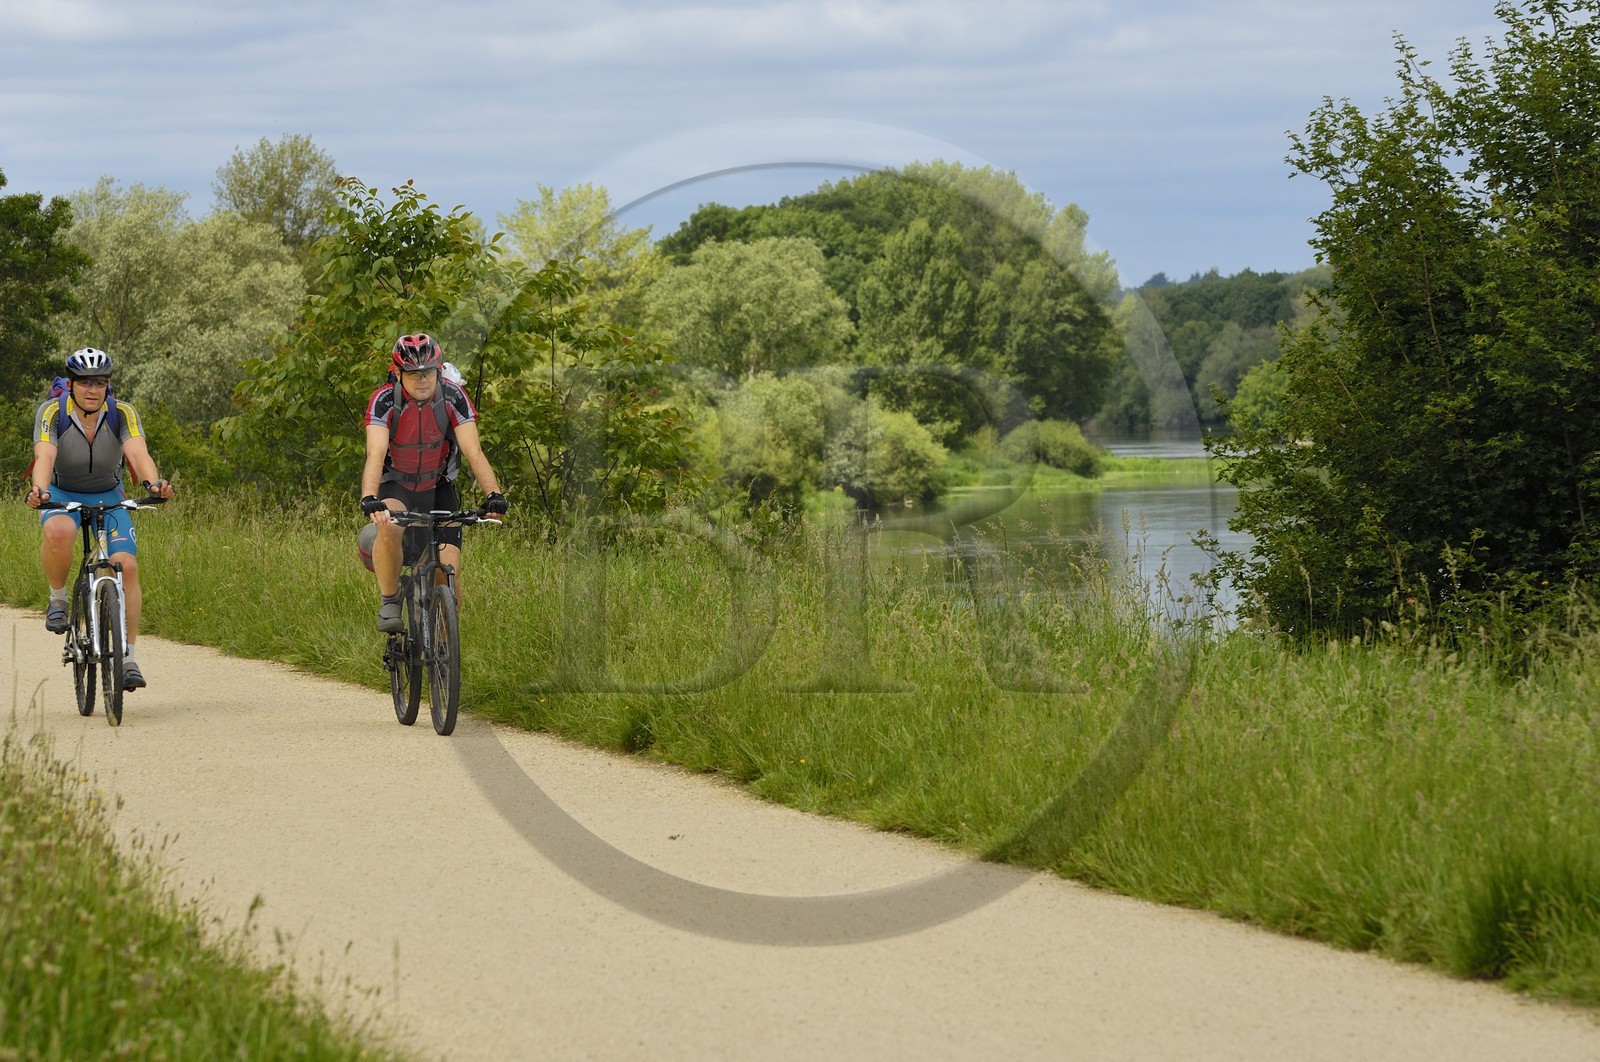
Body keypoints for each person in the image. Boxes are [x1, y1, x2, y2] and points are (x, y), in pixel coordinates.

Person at [25, 347, 176, 691]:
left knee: (127, 566)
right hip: (61, 493)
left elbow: (138, 451)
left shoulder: (121, 412)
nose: (93, 389)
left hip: (109, 494)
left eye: (101, 382)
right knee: (59, 531)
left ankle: (129, 659)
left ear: (108, 385)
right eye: (85, 382)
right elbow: (44, 454)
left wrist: (154, 483)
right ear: (71, 383)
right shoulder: (52, 411)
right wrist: (39, 491)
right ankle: (58, 598)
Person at [360, 334, 507, 632]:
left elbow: (473, 451)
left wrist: (494, 494)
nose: (422, 379)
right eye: (413, 374)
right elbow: (375, 453)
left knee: (449, 573)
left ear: (438, 370)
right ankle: (389, 601)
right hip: (396, 484)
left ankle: (443, 654)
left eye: (428, 372)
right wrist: (369, 497)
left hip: (439, 487)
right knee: (388, 524)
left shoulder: (453, 397)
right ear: (398, 374)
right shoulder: (385, 400)